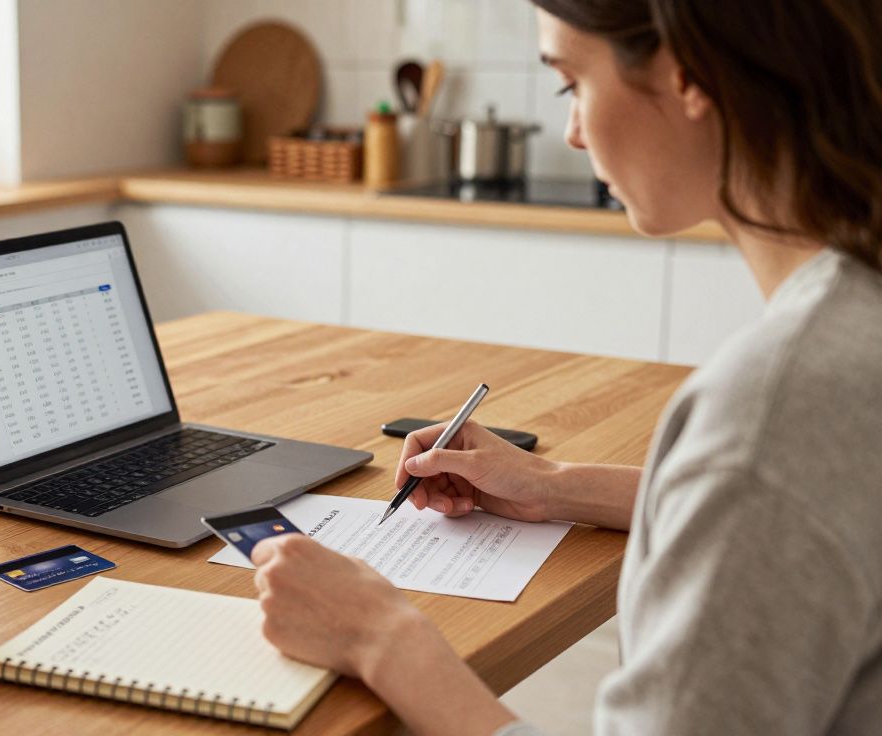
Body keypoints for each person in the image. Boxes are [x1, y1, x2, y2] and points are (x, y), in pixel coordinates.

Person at [249, 1, 882, 734]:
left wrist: (381, 637)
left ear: (689, 76)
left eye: (570, 83)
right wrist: (551, 485)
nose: (574, 132)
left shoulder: (773, 409)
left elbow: (758, 477)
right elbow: (791, 503)